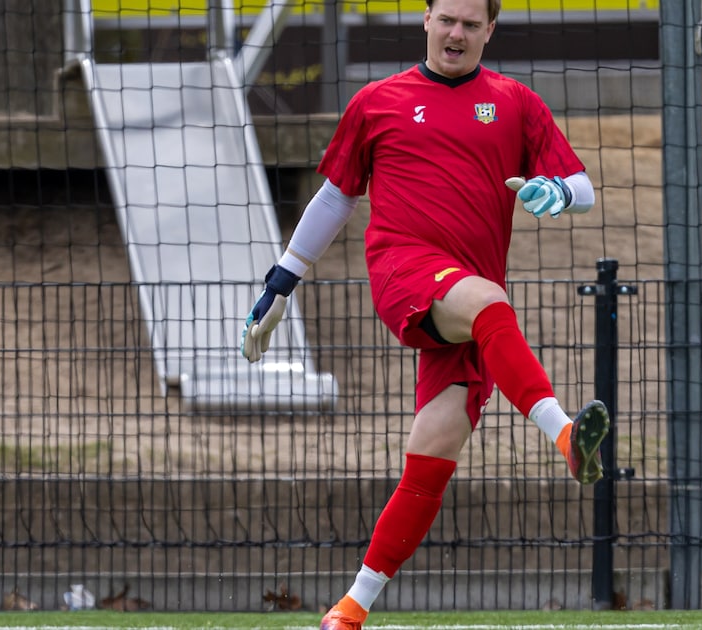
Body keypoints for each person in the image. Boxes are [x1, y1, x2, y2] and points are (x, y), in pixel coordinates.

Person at [237, 0, 610, 627]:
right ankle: (565, 434)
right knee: (492, 303)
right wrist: (282, 281)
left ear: (489, 30)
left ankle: (350, 610)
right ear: (427, 20)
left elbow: (584, 186)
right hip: (405, 272)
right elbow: (335, 198)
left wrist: (558, 193)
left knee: (433, 452)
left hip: (468, 302)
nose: (456, 33)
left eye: (471, 24)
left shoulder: (516, 102)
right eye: (447, 20)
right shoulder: (378, 101)